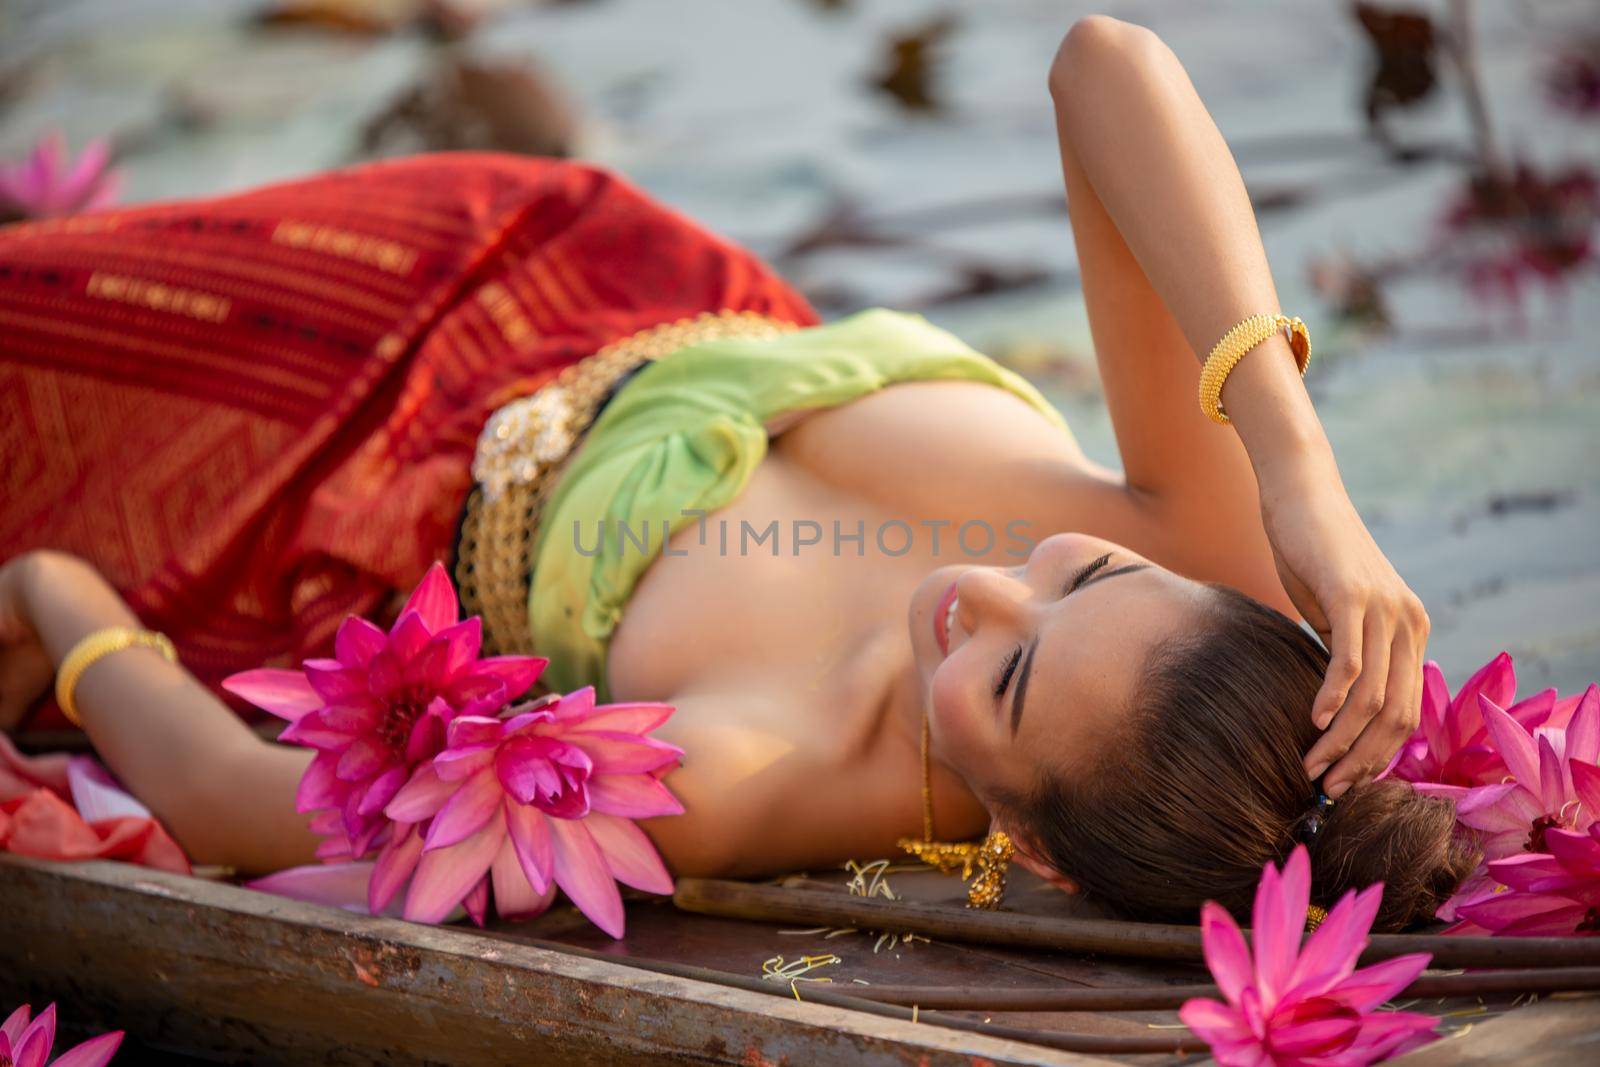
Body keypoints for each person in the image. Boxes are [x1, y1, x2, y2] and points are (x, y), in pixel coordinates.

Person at [0, 16, 1474, 931]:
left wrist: (75, 614)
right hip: (545, 258)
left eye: (1009, 686)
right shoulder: (1203, 553)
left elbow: (242, 806)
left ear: (1033, 847)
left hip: (331, 502)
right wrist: (1300, 472)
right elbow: (1107, 63)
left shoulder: (760, 774)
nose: (982, 589)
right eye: (1076, 574)